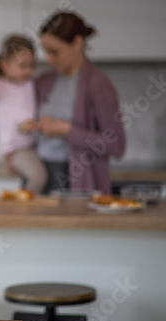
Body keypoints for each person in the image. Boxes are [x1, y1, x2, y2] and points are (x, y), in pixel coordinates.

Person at [25, 11, 125, 194]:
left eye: (54, 52)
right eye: (46, 52)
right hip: (39, 174)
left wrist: (66, 130)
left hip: (75, 179)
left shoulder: (98, 84)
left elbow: (116, 145)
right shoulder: (44, 82)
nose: (48, 59)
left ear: (78, 43)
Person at [0, 35, 47, 194]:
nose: (29, 71)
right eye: (22, 66)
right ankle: (27, 211)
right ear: (5, 65)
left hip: (31, 145)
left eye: (32, 65)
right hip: (15, 149)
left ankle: (26, 206)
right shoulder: (1, 86)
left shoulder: (28, 84)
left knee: (35, 178)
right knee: (38, 177)